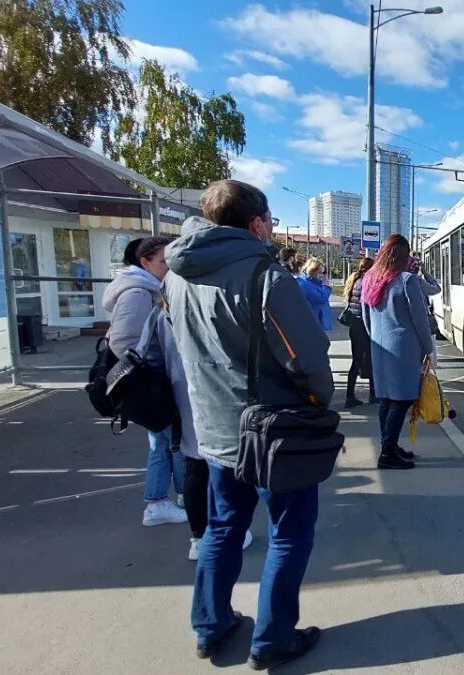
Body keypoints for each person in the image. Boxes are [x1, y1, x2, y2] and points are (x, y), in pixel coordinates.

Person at [165, 180, 333, 669]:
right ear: (257, 223)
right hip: (273, 435)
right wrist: (320, 404)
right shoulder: (266, 277)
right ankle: (272, 639)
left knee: (221, 529)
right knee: (289, 533)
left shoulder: (176, 275)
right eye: (272, 222)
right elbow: (308, 360)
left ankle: (210, 626)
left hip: (215, 431)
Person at [145, 299, 255, 561]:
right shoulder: (217, 299)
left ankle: (200, 537)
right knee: (227, 466)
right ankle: (227, 532)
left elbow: (149, 355)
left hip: (182, 392)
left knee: (195, 465)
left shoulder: (163, 309)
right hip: (222, 393)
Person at [102, 236, 187, 528]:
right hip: (152, 383)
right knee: (172, 442)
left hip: (153, 382)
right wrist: (154, 369)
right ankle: (172, 500)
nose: (168, 267)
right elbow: (125, 340)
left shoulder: (147, 288)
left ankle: (160, 500)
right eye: (163, 262)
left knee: (162, 443)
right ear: (145, 262)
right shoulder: (138, 292)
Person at [362, 235, 433, 471]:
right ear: (403, 255)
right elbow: (421, 321)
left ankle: (389, 446)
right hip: (404, 350)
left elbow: (365, 319)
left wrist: (376, 340)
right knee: (401, 401)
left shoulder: (369, 278)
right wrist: (429, 350)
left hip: (379, 349)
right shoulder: (406, 281)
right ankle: (387, 453)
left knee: (387, 400)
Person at [342, 257, 375, 407]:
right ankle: (373, 395)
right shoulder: (367, 282)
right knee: (371, 360)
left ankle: (350, 395)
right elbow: (366, 308)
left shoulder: (355, 280)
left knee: (356, 361)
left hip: (355, 326)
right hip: (364, 326)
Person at [295, 257, 334, 333]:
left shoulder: (314, 282)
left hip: (318, 321)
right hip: (312, 323)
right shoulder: (304, 283)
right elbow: (321, 299)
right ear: (313, 271)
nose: (322, 275)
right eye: (320, 272)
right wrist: (326, 286)